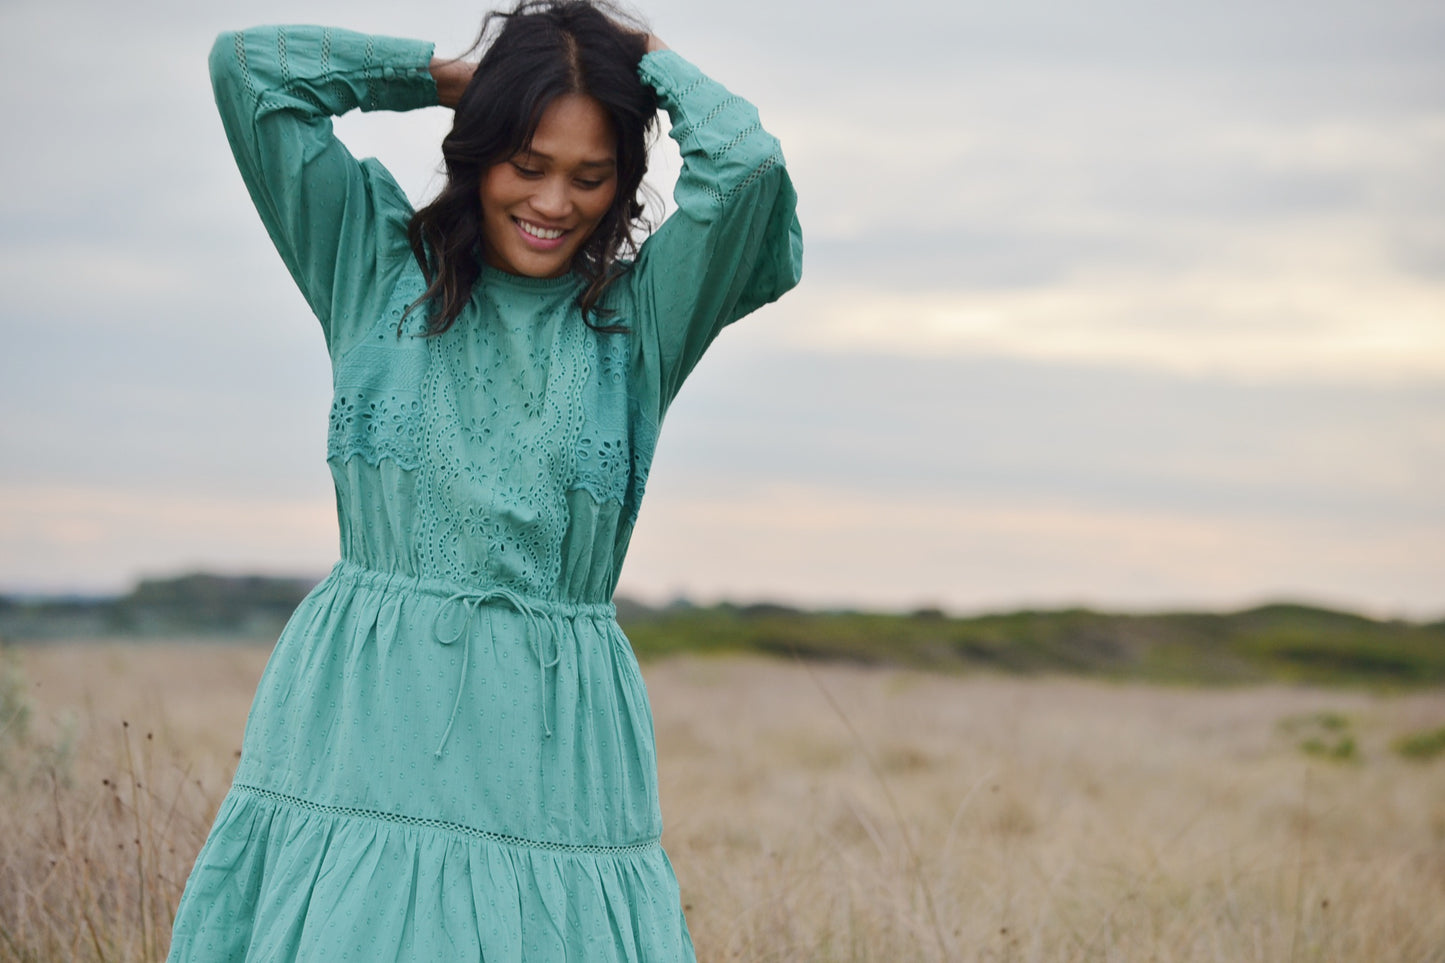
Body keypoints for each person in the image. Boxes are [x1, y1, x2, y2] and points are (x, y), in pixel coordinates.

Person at [168, 2, 801, 959]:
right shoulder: (372, 268)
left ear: (625, 185)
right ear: (478, 154)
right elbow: (251, 73)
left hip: (552, 734)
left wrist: (640, 62)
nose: (554, 202)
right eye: (527, 162)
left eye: (591, 177)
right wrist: (453, 78)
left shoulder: (644, 322)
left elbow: (746, 167)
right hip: (362, 712)